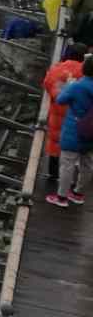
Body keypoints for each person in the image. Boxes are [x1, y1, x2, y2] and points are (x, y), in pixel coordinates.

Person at [43, 48, 86, 202]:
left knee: (55, 142)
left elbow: (47, 84)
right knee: (75, 152)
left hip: (57, 113)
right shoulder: (84, 72)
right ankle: (75, 184)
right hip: (77, 116)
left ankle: (53, 173)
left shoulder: (57, 69)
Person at [52, 55, 93, 207]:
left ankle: (61, 197)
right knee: (87, 163)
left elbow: (60, 99)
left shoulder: (78, 86)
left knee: (67, 163)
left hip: (74, 129)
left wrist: (68, 85)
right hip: (91, 131)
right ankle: (78, 194)